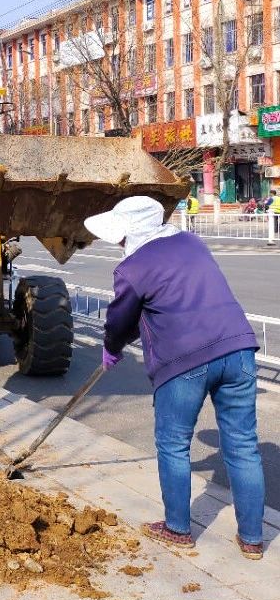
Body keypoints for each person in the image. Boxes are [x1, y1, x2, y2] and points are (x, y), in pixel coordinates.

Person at [84, 196, 265, 559]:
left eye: (120, 235)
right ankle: (252, 539)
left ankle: (178, 529)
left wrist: (112, 347)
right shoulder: (190, 241)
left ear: (129, 232)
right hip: (238, 349)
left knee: (173, 444)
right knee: (244, 445)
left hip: (184, 362)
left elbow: (121, 320)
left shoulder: (132, 268)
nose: (119, 242)